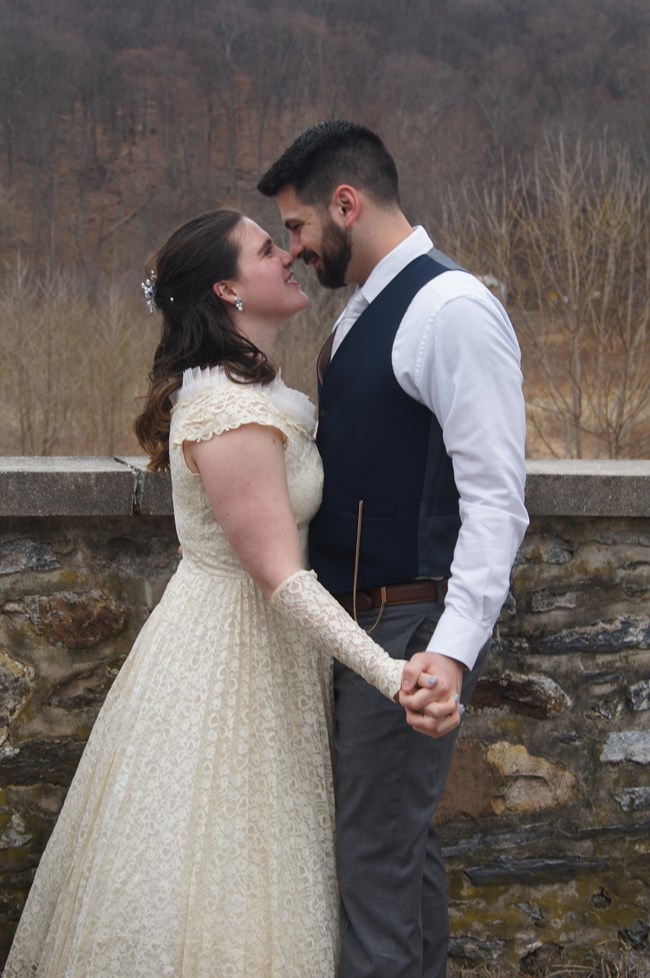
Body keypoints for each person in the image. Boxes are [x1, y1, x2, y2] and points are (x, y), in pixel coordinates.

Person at [2, 209, 447, 978]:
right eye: (267, 249)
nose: (288, 256)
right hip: (228, 664)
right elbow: (280, 578)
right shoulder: (225, 412)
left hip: (265, 658)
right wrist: (390, 673)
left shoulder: (252, 395)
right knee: (221, 870)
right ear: (227, 290)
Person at [257, 120, 529, 978]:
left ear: (346, 204)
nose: (293, 250)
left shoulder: (452, 311)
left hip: (409, 627)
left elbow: (496, 501)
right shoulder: (366, 311)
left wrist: (452, 649)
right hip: (366, 628)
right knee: (398, 857)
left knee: (373, 863)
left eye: (297, 226)